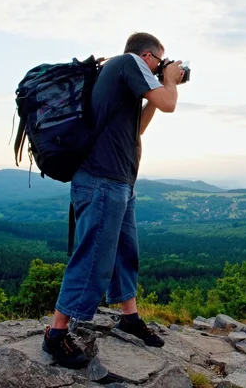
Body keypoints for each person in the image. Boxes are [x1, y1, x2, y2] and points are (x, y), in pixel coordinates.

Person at [41, 32, 185, 369]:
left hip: (118, 182)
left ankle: (129, 317)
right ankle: (56, 335)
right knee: (93, 259)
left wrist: (155, 91)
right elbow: (170, 104)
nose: (161, 67)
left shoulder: (124, 79)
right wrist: (169, 82)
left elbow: (138, 130)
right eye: (160, 60)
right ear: (148, 56)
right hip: (102, 181)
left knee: (125, 254)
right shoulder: (128, 63)